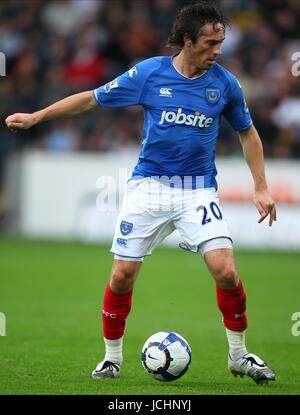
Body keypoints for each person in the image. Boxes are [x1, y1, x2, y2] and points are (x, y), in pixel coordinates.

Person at [5, 1, 277, 384]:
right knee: (122, 276)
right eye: (211, 42)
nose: (218, 50)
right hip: (148, 188)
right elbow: (91, 98)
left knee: (226, 271)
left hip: (197, 191)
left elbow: (247, 132)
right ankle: (111, 359)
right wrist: (37, 117)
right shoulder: (150, 74)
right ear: (187, 40)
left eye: (221, 42)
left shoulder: (225, 84)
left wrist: (261, 187)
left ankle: (239, 355)